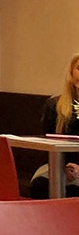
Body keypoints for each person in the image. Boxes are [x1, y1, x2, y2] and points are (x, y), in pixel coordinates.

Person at [30, 53, 79, 199]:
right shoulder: (54, 105)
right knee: (41, 185)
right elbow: (47, 143)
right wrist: (63, 167)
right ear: (71, 73)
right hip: (59, 165)